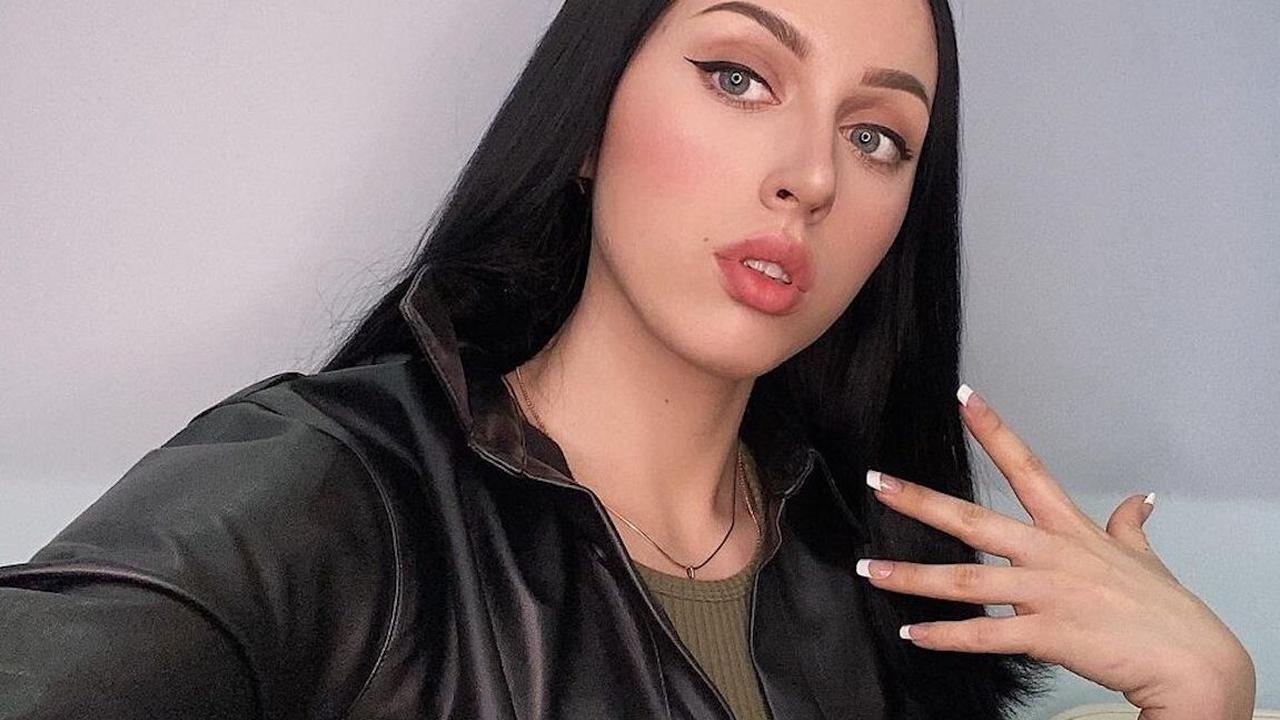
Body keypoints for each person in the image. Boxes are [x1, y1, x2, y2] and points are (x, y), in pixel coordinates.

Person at [0, 1, 1256, 718]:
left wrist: (1203, 697)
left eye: (876, 137)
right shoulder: (324, 491)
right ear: (589, 120)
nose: (810, 177)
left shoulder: (870, 584)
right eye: (737, 76)